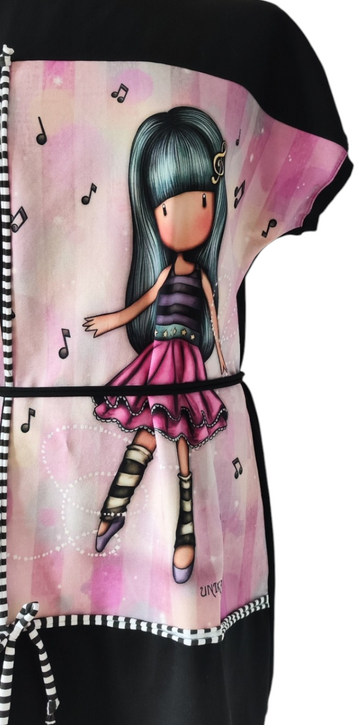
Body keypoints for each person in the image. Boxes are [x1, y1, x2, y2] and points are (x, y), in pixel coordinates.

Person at [84, 106, 230, 584]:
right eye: (168, 208)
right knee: (149, 433)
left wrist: (222, 359)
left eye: (201, 201)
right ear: (154, 214)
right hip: (159, 358)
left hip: (185, 361)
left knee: (180, 440)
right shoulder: (164, 272)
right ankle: (114, 510)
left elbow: (214, 317)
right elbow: (141, 305)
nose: (186, 217)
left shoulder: (201, 276)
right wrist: (110, 321)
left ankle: (184, 531)